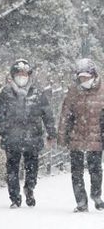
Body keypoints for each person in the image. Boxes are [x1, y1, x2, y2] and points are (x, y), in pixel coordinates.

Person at [0, 59, 56, 208]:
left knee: (32, 168)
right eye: (18, 74)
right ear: (13, 75)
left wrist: (51, 133)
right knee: (12, 169)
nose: (22, 77)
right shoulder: (6, 93)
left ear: (29, 75)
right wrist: (4, 130)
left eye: (24, 74)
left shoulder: (37, 93)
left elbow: (47, 114)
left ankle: (29, 189)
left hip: (32, 138)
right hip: (12, 139)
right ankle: (15, 198)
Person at [58, 58, 104, 212]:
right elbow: (65, 116)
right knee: (76, 172)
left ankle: (96, 196)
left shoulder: (102, 91)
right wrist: (63, 136)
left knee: (96, 170)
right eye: (80, 77)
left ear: (93, 75)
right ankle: (81, 202)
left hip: (96, 139)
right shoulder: (73, 92)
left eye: (86, 77)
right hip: (76, 138)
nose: (83, 80)